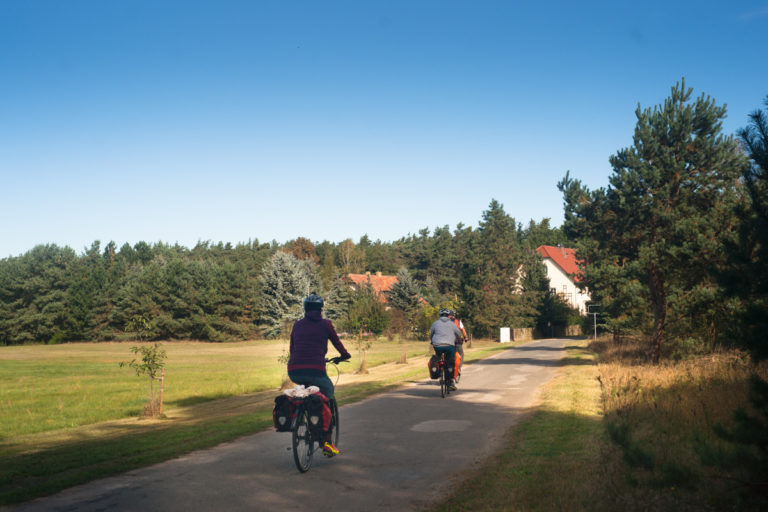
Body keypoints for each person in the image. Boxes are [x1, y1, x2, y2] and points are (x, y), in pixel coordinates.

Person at [288, 292, 351, 457]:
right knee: (328, 397)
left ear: (305, 308)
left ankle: (303, 417)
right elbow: (337, 343)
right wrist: (345, 356)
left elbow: (293, 348)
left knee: (305, 393)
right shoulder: (326, 324)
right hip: (316, 370)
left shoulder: (297, 325)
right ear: (321, 308)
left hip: (294, 370)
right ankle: (328, 443)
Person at [430, 308, 463, 390]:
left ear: (440, 315)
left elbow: (431, 334)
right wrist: (458, 339)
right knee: (450, 361)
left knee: (438, 357)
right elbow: (458, 333)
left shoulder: (435, 323)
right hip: (449, 345)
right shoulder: (452, 324)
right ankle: (450, 381)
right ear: (448, 315)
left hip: (437, 345)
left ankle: (439, 369)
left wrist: (432, 341)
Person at [449, 310, 468, 382]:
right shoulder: (458, 321)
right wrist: (466, 337)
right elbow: (463, 330)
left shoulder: (445, 322)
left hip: (447, 341)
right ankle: (458, 368)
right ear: (454, 315)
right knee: (461, 354)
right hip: (457, 341)